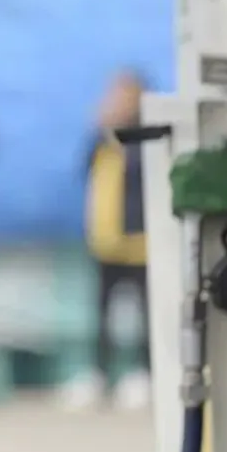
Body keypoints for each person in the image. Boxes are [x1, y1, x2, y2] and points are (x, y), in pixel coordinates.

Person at [69, 69, 152, 410]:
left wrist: (122, 134)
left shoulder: (146, 135)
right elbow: (85, 169)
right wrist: (102, 130)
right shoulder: (103, 137)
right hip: (106, 240)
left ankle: (144, 373)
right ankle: (99, 374)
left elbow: (141, 174)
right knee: (102, 314)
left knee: (145, 313)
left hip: (140, 242)